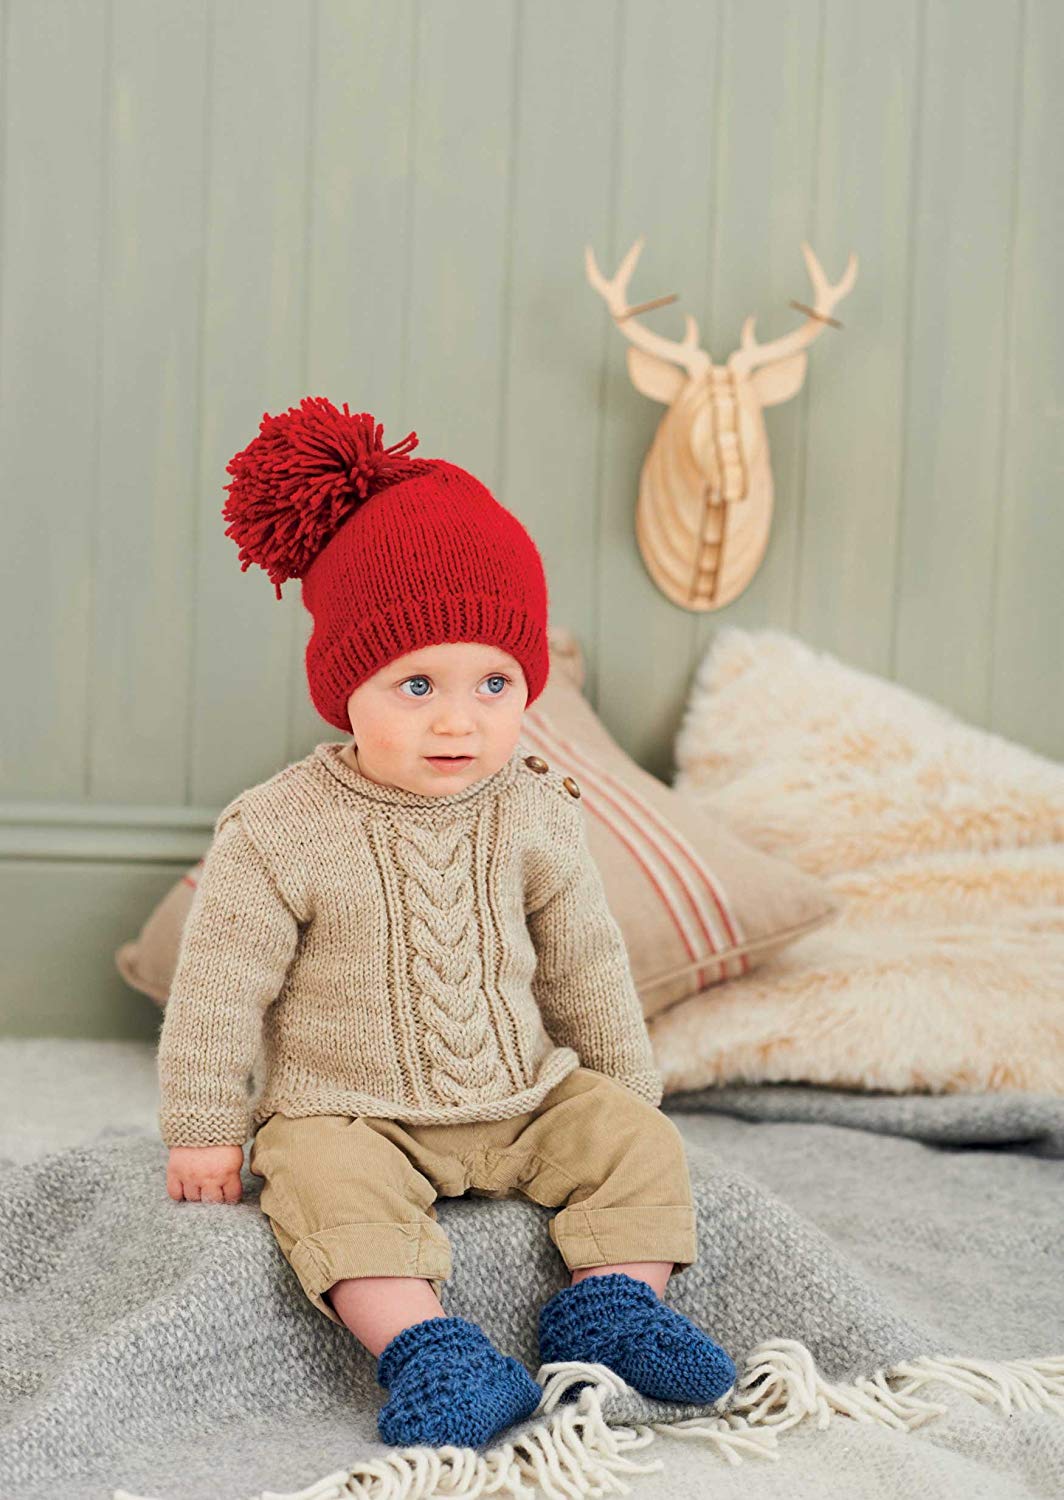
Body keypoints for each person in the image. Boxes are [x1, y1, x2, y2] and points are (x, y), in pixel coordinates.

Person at [156, 397, 736, 1449]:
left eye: (494, 683)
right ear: (346, 686)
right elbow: (219, 989)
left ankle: (610, 1306)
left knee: (635, 1142)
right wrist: (203, 1128)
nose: (458, 719)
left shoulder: (535, 810)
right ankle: (433, 1350)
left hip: (521, 1096)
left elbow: (585, 964)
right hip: (350, 1109)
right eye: (416, 684)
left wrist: (625, 1090)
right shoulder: (280, 827)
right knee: (321, 1186)